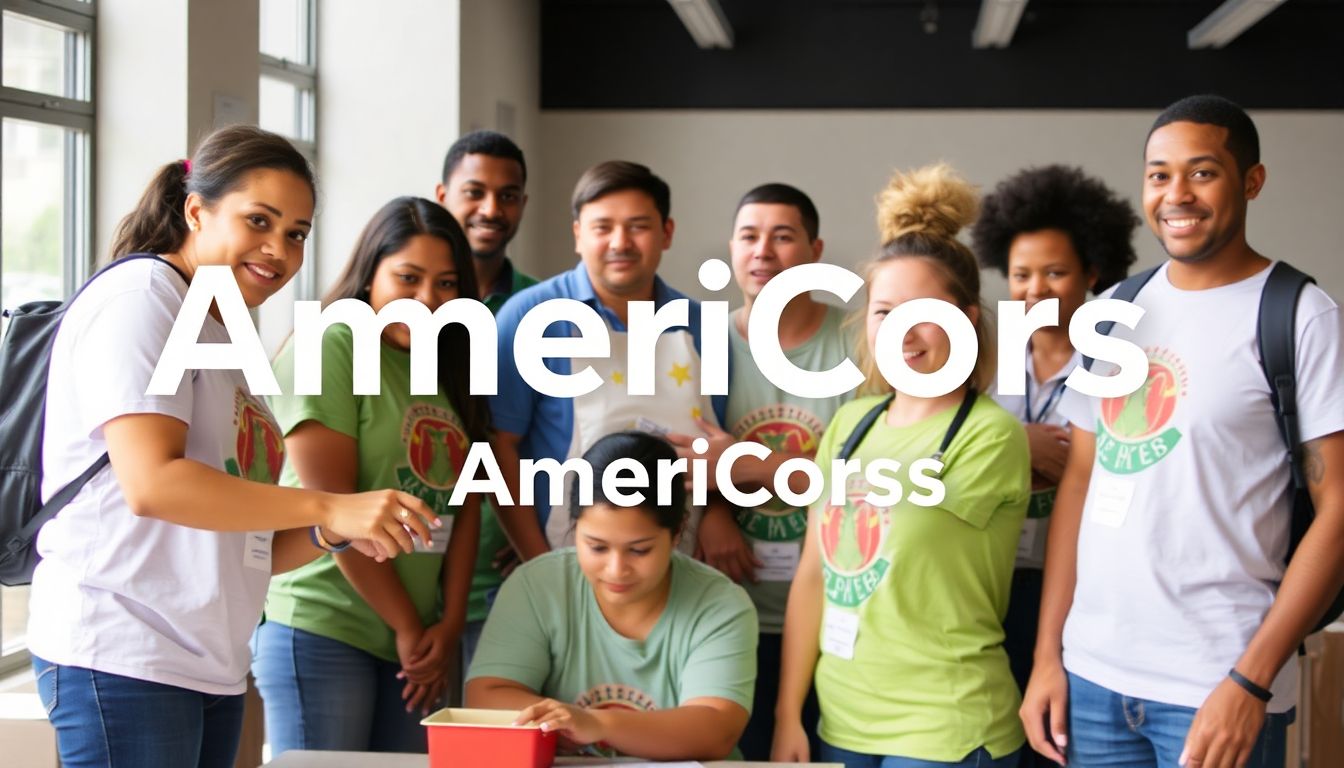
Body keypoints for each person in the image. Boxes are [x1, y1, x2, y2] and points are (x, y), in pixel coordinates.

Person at [29, 126, 438, 768]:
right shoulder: (142, 299)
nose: (278, 249)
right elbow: (153, 484)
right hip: (124, 651)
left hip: (210, 662)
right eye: (259, 221)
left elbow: (247, 541)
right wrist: (329, 507)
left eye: (296, 233)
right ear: (197, 211)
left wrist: (335, 532)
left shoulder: (228, 323)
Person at [1021, 94, 1344, 768]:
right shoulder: (1114, 310)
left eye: (1203, 173)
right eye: (1159, 174)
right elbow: (1080, 483)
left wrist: (1251, 681)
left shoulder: (1300, 316)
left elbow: (1337, 510)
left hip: (1216, 682)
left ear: (1251, 182)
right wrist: (1048, 655)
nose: (1177, 195)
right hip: (1093, 678)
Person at [773, 163, 1030, 768]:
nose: (903, 332)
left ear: (966, 321)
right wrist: (790, 714)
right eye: (885, 311)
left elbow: (902, 526)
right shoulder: (849, 424)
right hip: (843, 720)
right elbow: (815, 578)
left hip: (947, 727)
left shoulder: (989, 437)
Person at [252, 197, 490, 754]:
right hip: (325, 621)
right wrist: (410, 626)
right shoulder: (331, 343)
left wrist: (448, 623)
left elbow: (469, 501)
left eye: (447, 284)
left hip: (420, 639)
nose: (427, 301)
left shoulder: (450, 360)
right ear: (369, 275)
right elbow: (331, 505)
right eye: (407, 279)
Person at [668, 183, 851, 759]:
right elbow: (681, 453)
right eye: (749, 236)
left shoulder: (856, 344)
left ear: (815, 251)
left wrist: (749, 463)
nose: (762, 252)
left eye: (782, 236)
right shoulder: (699, 342)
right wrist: (716, 509)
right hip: (722, 609)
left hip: (834, 611)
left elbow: (865, 481)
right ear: (731, 248)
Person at [972, 165, 1138, 768]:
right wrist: (1017, 442)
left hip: (1081, 588)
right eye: (1020, 274)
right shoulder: (980, 362)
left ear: (1092, 273)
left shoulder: (1120, 366)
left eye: (1054, 272)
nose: (1034, 288)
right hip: (985, 582)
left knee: (1060, 744)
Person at [465, 430, 758, 760]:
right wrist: (565, 719)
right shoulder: (537, 585)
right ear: (575, 527)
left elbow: (714, 729)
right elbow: (485, 696)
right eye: (597, 547)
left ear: (677, 532)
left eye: (639, 550)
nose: (616, 569)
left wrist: (595, 724)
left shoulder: (721, 605)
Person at [489, 161, 726, 562]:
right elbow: (498, 448)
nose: (621, 242)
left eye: (638, 226)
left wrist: (720, 514)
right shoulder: (528, 316)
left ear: (666, 233)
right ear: (578, 234)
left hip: (678, 561)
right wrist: (536, 563)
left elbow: (718, 444)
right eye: (603, 227)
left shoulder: (704, 326)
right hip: (560, 557)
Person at [435, 130, 540, 672]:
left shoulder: (539, 308)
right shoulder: (407, 306)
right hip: (408, 567)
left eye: (509, 194)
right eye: (474, 191)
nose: (491, 208)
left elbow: (545, 435)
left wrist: (531, 530)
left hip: (501, 577)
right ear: (442, 195)